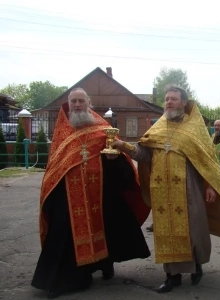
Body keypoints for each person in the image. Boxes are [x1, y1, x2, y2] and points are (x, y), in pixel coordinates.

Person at [112, 84, 220, 293]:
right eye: (167, 98)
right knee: (166, 233)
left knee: (193, 231)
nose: (169, 102)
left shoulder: (194, 129)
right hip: (162, 192)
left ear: (184, 103)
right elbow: (144, 155)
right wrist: (122, 145)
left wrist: (210, 187)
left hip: (190, 190)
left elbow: (208, 162)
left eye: (174, 99)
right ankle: (172, 276)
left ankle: (196, 266)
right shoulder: (158, 128)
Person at [31, 88, 151, 299]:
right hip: (69, 195)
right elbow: (55, 166)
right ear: (69, 104)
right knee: (65, 233)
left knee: (107, 226)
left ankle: (105, 264)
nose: (77, 105)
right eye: (74, 101)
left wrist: (113, 161)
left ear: (89, 103)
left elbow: (118, 159)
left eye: (81, 101)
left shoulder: (103, 128)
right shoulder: (63, 133)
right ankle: (69, 278)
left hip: (102, 193)